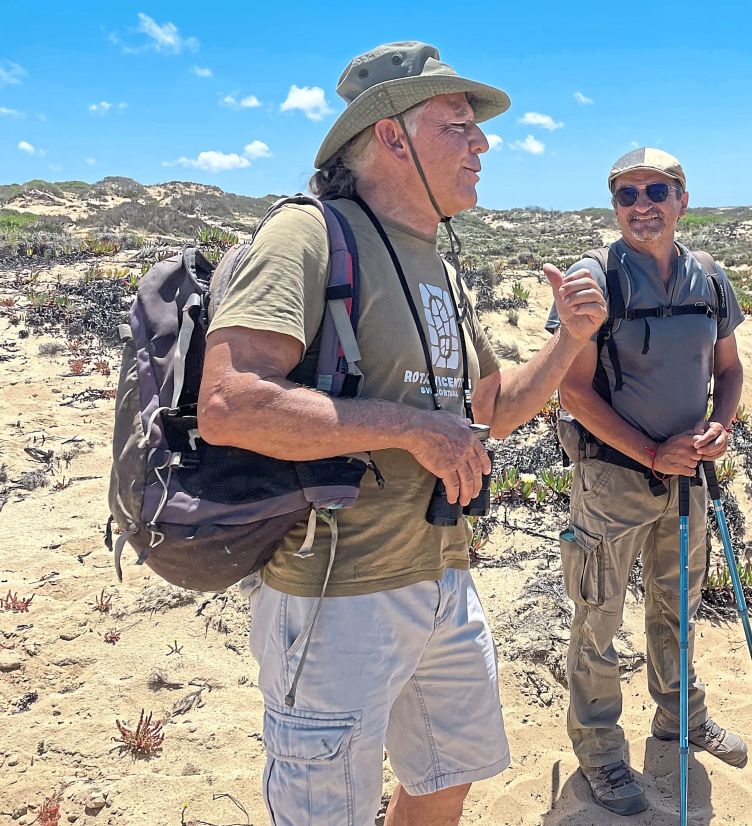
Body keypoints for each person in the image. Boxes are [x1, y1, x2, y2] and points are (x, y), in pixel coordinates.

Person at [197, 41, 606, 826]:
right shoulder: (308, 236)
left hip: (443, 580)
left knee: (447, 776)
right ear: (390, 135)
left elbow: (490, 408)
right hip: (334, 598)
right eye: (457, 125)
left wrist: (569, 341)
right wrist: (413, 430)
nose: (482, 144)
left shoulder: (440, 265)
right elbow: (230, 401)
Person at [549, 148, 747, 816]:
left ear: (682, 199)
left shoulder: (711, 277)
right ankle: (601, 754)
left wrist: (720, 426)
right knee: (598, 619)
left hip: (689, 478)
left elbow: (731, 369)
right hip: (613, 480)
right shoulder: (596, 276)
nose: (642, 205)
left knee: (677, 609)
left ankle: (680, 720)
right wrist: (648, 451)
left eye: (657, 190)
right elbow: (573, 391)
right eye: (626, 194)